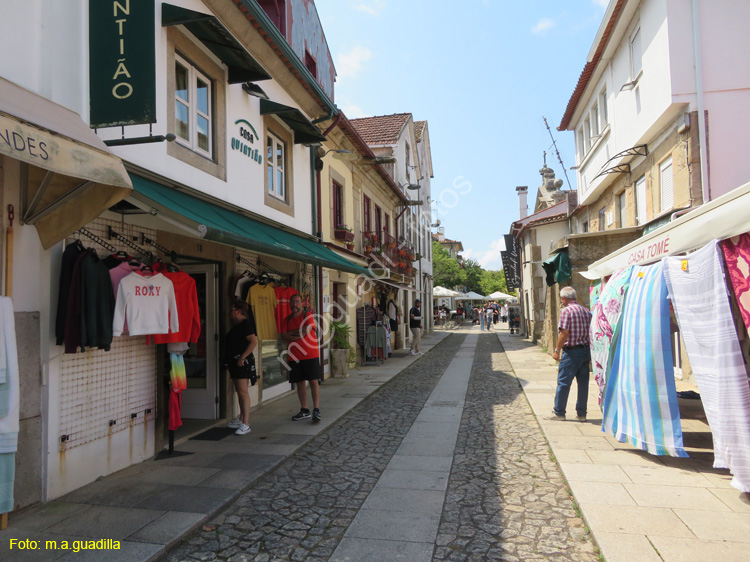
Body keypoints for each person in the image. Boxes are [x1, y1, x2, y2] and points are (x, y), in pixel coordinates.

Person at [549, 286, 592, 421]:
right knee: (583, 384)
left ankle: (559, 412)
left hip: (572, 352)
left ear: (564, 298)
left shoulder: (566, 312)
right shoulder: (586, 311)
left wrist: (557, 350)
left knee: (563, 382)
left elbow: (564, 333)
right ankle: (582, 414)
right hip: (585, 351)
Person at [280, 293, 322, 422]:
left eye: (297, 302)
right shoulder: (286, 320)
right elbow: (284, 336)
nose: (294, 304)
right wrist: (298, 333)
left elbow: (306, 330)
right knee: (300, 383)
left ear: (302, 303)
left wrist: (295, 333)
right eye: (292, 302)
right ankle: (304, 410)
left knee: (313, 381)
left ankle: (316, 409)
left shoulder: (307, 316)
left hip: (310, 354)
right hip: (294, 356)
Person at [225, 300, 258, 435]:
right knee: (239, 391)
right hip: (235, 361)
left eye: (231, 310)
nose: (229, 313)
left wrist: (243, 357)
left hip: (241, 362)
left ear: (238, 311)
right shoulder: (238, 325)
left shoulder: (246, 324)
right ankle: (241, 418)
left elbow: (253, 342)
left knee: (243, 392)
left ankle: (246, 423)